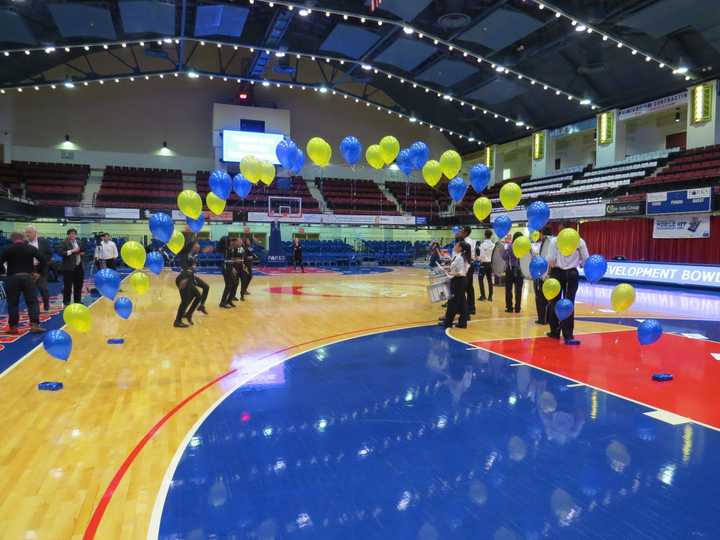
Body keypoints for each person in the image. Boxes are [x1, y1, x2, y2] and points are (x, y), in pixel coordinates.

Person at [547, 222, 589, 345]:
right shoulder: (579, 241)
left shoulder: (555, 241)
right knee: (569, 304)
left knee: (554, 302)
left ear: (561, 230)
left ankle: (554, 332)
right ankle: (568, 335)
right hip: (572, 274)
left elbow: (551, 260)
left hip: (557, 273)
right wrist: (577, 263)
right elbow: (586, 260)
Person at [0, 231, 46, 334]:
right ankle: (35, 325)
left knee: (13, 303)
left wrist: (3, 272)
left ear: (12, 239)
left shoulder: (7, 249)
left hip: (12, 278)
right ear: (23, 238)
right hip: (28, 277)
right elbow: (43, 260)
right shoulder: (30, 248)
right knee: (32, 302)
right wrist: (38, 272)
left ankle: (13, 328)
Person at [439, 240, 471, 329]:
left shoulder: (460, 258)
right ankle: (462, 323)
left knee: (452, 302)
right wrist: (448, 269)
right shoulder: (463, 257)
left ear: (460, 247)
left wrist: (448, 272)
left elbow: (460, 272)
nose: (454, 246)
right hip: (462, 281)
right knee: (462, 302)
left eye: (456, 245)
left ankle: (448, 322)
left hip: (458, 281)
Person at [174, 241, 203, 327]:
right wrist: (185, 279)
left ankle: (188, 314)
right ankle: (177, 321)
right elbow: (185, 269)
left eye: (199, 247)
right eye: (197, 246)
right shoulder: (185, 255)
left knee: (198, 296)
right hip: (183, 279)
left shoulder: (193, 256)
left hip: (188, 279)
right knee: (185, 301)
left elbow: (191, 269)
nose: (199, 248)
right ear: (193, 246)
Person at [24, 225, 52, 311]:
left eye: (29, 232)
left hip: (41, 269)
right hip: (29, 270)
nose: (27, 234)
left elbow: (49, 254)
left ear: (35, 233)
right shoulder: (24, 243)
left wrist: (42, 264)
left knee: (43, 289)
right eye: (26, 232)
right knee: (30, 291)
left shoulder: (44, 242)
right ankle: (33, 308)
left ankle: (46, 305)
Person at [57, 228, 84, 306]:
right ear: (68, 235)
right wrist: (72, 251)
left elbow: (81, 250)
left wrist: (82, 253)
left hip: (79, 266)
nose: (73, 235)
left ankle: (77, 301)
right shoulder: (63, 242)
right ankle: (66, 302)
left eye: (74, 234)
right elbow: (61, 253)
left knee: (78, 285)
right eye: (71, 234)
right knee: (68, 286)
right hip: (68, 268)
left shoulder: (79, 242)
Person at [532, 226, 553, 325]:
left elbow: (542, 260)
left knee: (540, 298)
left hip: (542, 275)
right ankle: (549, 319)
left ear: (541, 233)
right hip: (551, 274)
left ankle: (541, 319)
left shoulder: (543, 244)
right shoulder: (554, 242)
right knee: (550, 298)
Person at [503, 231, 525, 313]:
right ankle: (517, 308)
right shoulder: (524, 247)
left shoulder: (509, 246)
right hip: (520, 270)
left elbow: (504, 256)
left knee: (508, 289)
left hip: (510, 269)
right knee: (518, 289)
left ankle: (509, 308)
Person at [457, 226, 477, 315]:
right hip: (469, 264)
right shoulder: (471, 241)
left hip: (467, 265)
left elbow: (463, 255)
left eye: (461, 231)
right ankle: (470, 307)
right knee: (469, 287)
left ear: (465, 233)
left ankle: (465, 308)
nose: (460, 232)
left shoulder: (466, 242)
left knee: (464, 287)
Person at [219, 235, 238, 308]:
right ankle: (222, 302)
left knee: (235, 283)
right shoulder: (227, 249)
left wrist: (233, 267)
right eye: (236, 241)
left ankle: (229, 300)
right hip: (226, 267)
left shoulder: (233, 249)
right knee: (228, 285)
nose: (237, 243)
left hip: (230, 267)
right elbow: (227, 260)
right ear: (232, 242)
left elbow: (231, 259)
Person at [476, 229, 494, 302]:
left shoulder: (482, 245)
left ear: (485, 235)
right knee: (489, 280)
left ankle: (483, 296)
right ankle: (490, 297)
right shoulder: (493, 245)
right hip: (490, 264)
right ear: (491, 235)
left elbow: (482, 256)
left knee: (480, 279)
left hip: (483, 264)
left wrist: (478, 258)